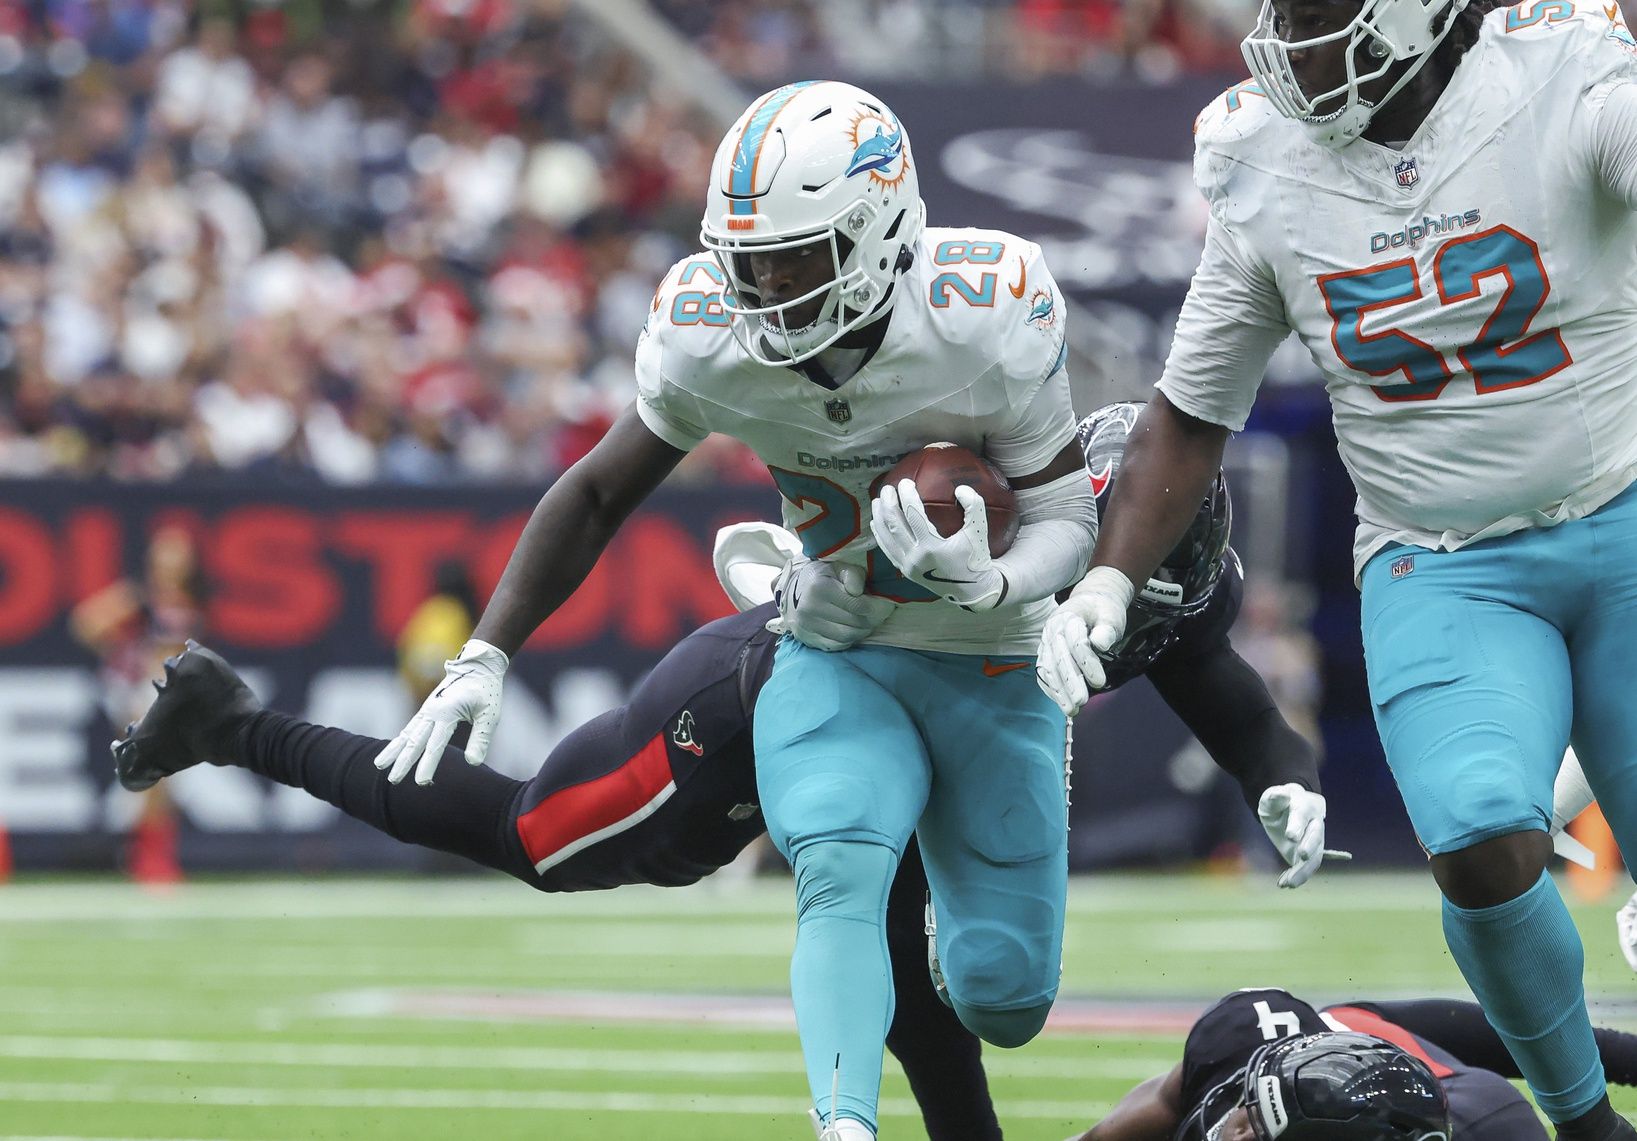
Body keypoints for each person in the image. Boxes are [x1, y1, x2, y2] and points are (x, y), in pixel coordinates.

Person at [113, 404, 1338, 1140]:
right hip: (774, 700)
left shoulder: (1166, 580)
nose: (1119, 602)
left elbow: (1205, 669)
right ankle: (236, 723)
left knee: (947, 965)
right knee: (536, 838)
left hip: (950, 734)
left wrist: (1278, 771)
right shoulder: (981, 516)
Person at [1036, 0, 1637, 1135]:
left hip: (1625, 512)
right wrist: (1110, 577)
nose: (1290, 40)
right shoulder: (1265, 160)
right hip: (1441, 558)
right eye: (1285, 13)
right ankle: (1585, 1119)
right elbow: (1188, 408)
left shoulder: (1564, 77)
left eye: (1317, 16)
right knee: (1471, 833)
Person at [1075, 986, 1637, 1141]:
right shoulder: (1229, 1048)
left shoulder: (1491, 1124)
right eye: (1250, 1114)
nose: (1234, 1137)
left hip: (1456, 1100)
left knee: (1588, 1063)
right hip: (1351, 1027)